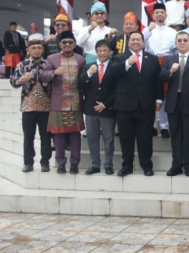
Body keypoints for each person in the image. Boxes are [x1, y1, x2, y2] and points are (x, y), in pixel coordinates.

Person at [111, 31, 164, 177]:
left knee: (145, 138)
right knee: (126, 138)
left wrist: (159, 99)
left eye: (138, 40)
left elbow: (157, 80)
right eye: (132, 39)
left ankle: (146, 166)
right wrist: (128, 63)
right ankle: (126, 166)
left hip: (146, 106)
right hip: (124, 106)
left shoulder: (152, 59)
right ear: (128, 42)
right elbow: (113, 72)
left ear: (143, 42)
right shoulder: (119, 57)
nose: (135, 42)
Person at [160, 31, 189, 177]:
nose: (182, 42)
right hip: (173, 103)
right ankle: (176, 165)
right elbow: (161, 79)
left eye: (185, 40)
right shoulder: (169, 60)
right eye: (179, 40)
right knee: (176, 135)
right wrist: (170, 72)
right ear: (175, 43)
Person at [41, 31, 86, 174]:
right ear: (60, 44)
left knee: (75, 135)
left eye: (70, 42)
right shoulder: (52, 58)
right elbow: (43, 76)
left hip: (75, 102)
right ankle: (60, 163)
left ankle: (74, 163)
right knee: (58, 134)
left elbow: (83, 80)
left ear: (74, 44)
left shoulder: (80, 59)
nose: (67, 45)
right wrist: (54, 73)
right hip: (58, 102)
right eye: (64, 42)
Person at [10, 34, 51, 173]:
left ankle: (45, 161)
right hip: (28, 106)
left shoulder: (48, 65)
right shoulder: (22, 65)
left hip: (46, 106)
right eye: (34, 48)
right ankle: (28, 162)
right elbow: (13, 83)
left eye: (39, 48)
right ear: (28, 50)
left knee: (46, 136)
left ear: (43, 50)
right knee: (28, 136)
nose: (37, 50)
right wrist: (22, 79)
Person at [78, 40, 116, 175]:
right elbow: (79, 84)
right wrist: (88, 73)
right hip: (90, 108)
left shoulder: (114, 67)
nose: (102, 53)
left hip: (108, 109)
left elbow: (117, 90)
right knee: (92, 138)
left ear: (110, 52)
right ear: (96, 52)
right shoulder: (89, 66)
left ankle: (108, 164)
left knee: (109, 138)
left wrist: (105, 104)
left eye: (105, 50)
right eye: (99, 50)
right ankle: (95, 164)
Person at [143, 3, 177, 137]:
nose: (159, 15)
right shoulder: (148, 30)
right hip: (151, 61)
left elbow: (175, 50)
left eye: (162, 12)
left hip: (167, 62)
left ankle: (164, 126)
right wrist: (148, 30)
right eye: (156, 12)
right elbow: (140, 43)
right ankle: (152, 125)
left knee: (165, 94)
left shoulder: (172, 32)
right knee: (151, 93)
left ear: (166, 15)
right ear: (153, 15)